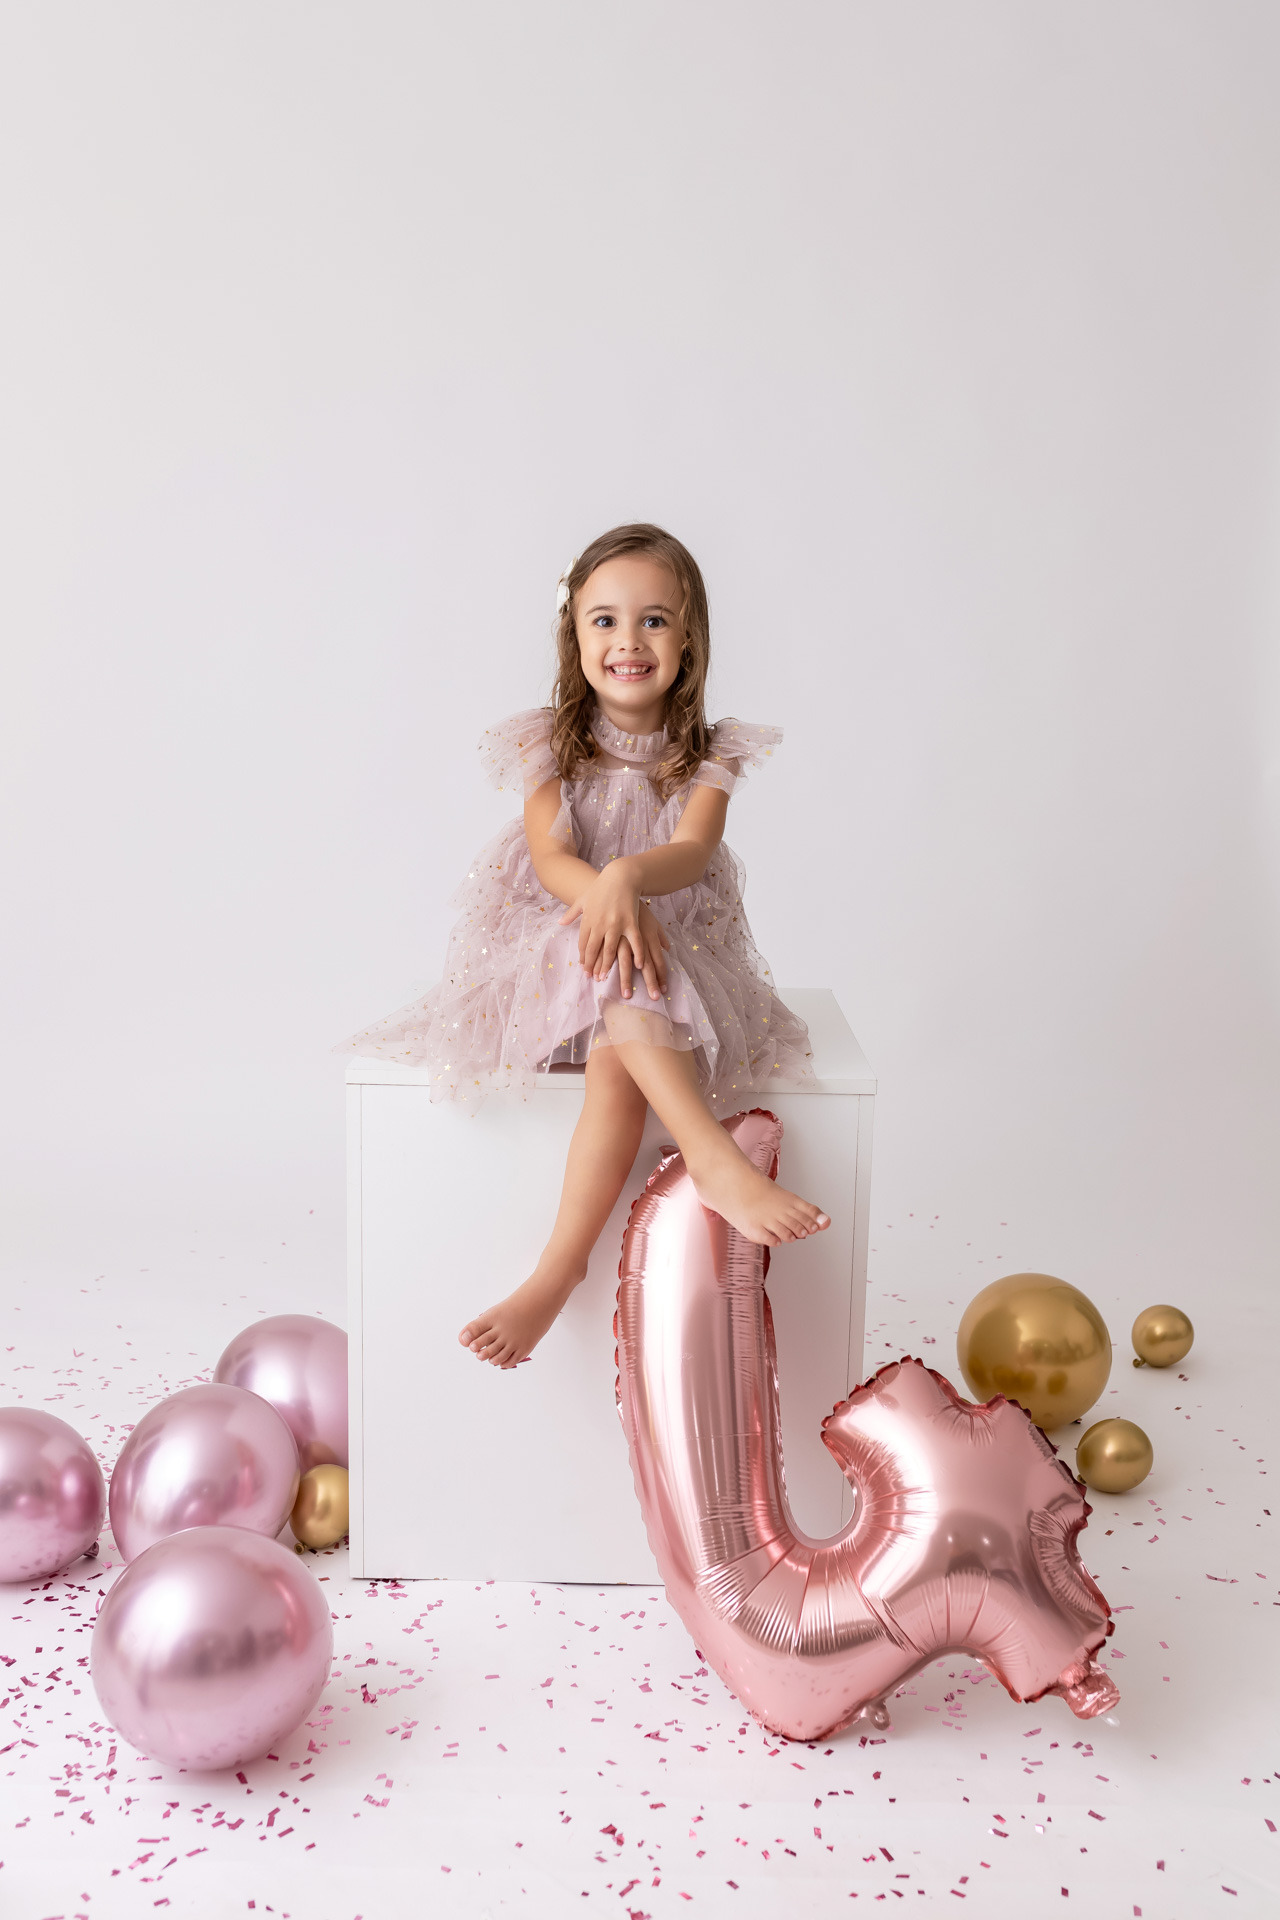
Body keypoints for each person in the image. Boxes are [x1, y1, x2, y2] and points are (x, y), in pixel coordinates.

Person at [342, 523, 828, 1367]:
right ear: (574, 634)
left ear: (689, 638)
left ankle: (559, 1269)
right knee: (612, 954)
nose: (628, 641)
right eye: (604, 620)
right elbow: (550, 859)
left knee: (617, 1055)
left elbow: (693, 852)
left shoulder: (709, 755)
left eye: (653, 620)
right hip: (561, 942)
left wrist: (629, 878)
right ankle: (712, 1158)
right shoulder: (548, 742)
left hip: (662, 950)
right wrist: (606, 892)